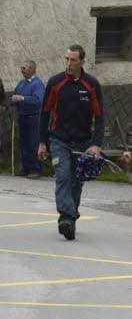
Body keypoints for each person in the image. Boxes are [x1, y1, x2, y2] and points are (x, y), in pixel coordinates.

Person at [38, 44, 104, 241]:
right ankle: (66, 218)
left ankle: (70, 218)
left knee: (77, 183)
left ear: (82, 62)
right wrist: (42, 142)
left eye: (73, 60)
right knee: (63, 177)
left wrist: (96, 144)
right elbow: (44, 113)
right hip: (59, 140)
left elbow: (100, 116)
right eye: (66, 59)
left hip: (83, 143)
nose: (68, 63)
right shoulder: (55, 83)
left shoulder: (91, 84)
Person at [11, 60, 45, 178]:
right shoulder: (21, 83)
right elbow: (14, 96)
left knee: (33, 143)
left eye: (24, 68)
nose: (22, 70)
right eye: (21, 68)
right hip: (22, 117)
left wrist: (23, 98)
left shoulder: (37, 84)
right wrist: (14, 99)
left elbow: (38, 101)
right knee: (24, 143)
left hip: (34, 118)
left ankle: (36, 169)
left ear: (31, 69)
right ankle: (26, 168)